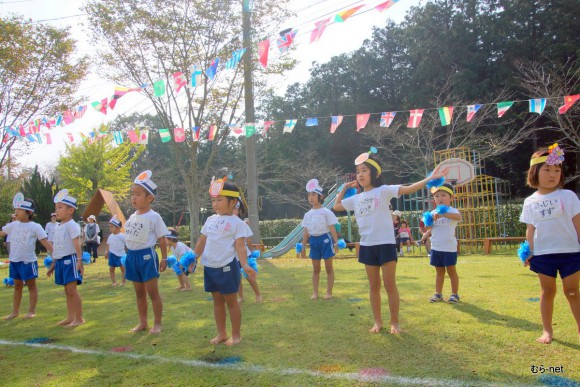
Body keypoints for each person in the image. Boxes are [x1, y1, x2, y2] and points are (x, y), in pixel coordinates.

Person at [333, 148, 447, 334]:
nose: (360, 175)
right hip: (367, 246)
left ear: (375, 174)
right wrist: (345, 189)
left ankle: (395, 322)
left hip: (385, 244)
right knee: (373, 286)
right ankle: (378, 322)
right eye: (358, 171)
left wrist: (429, 179)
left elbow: (408, 188)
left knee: (389, 284)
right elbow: (336, 206)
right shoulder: (356, 198)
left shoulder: (384, 191)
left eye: (364, 171)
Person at [519, 144, 580, 344]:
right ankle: (547, 331)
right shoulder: (530, 201)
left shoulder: (568, 196)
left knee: (572, 292)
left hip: (571, 252)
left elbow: (577, 223)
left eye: (556, 170)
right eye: (547, 169)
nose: (552, 174)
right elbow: (530, 229)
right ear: (534, 172)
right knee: (547, 291)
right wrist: (529, 251)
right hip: (544, 254)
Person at [193, 177, 256, 346]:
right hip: (210, 266)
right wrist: (193, 257)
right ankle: (221, 333)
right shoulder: (210, 220)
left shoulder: (237, 223)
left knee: (231, 302)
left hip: (227, 266)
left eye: (220, 200)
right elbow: (202, 241)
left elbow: (240, 246)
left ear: (233, 202)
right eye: (213, 200)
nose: (215, 204)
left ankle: (236, 335)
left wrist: (245, 264)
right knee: (217, 301)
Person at [124, 170, 168, 334]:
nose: (133, 198)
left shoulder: (154, 216)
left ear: (149, 198)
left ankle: (157, 323)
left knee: (152, 292)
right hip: (132, 257)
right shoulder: (132, 216)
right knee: (139, 292)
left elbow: (162, 238)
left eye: (138, 194)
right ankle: (143, 322)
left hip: (147, 257)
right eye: (132, 194)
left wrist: (164, 258)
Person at [0, 194, 53, 320]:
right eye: (16, 209)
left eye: (19, 209)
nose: (16, 212)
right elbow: (2, 233)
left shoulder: (35, 226)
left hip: (28, 261)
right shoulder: (13, 225)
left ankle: (31, 311)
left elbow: (45, 242)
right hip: (14, 260)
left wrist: (57, 254)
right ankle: (15, 311)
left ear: (28, 212)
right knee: (17, 286)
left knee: (31, 285)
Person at [46, 189, 85, 327]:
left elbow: (76, 243)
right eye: (56, 208)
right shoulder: (58, 226)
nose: (57, 210)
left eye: (60, 207)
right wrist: (53, 265)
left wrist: (79, 261)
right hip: (61, 261)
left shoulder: (72, 225)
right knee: (66, 290)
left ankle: (79, 318)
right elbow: (58, 247)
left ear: (70, 210)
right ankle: (70, 317)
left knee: (72, 290)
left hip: (70, 260)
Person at [300, 179, 338, 300]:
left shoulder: (326, 212)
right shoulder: (307, 215)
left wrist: (336, 242)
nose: (311, 198)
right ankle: (315, 293)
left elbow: (332, 228)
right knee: (316, 269)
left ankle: (329, 292)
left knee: (328, 268)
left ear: (320, 196)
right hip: (314, 241)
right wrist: (303, 246)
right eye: (309, 195)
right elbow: (306, 231)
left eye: (313, 195)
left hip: (325, 240)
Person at [426, 183, 462, 304]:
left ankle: (454, 294)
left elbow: (458, 217)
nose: (440, 198)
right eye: (437, 196)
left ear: (451, 197)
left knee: (451, 271)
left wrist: (443, 214)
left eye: (443, 195)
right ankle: (438, 293)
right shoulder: (432, 212)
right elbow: (428, 227)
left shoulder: (452, 211)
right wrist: (430, 221)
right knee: (439, 272)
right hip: (436, 247)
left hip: (449, 248)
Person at [236, 207, 262, 303]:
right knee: (237, 278)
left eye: (236, 209)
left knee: (249, 276)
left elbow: (248, 240)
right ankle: (241, 297)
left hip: (243, 255)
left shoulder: (242, 224)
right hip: (232, 257)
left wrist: (251, 253)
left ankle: (258, 294)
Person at [106, 215, 126, 287]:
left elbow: (127, 244)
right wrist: (107, 252)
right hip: (112, 254)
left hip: (120, 255)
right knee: (111, 269)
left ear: (118, 227)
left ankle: (123, 282)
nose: (110, 229)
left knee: (123, 268)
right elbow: (108, 244)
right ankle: (113, 282)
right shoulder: (110, 236)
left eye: (112, 227)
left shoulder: (122, 236)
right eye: (110, 227)